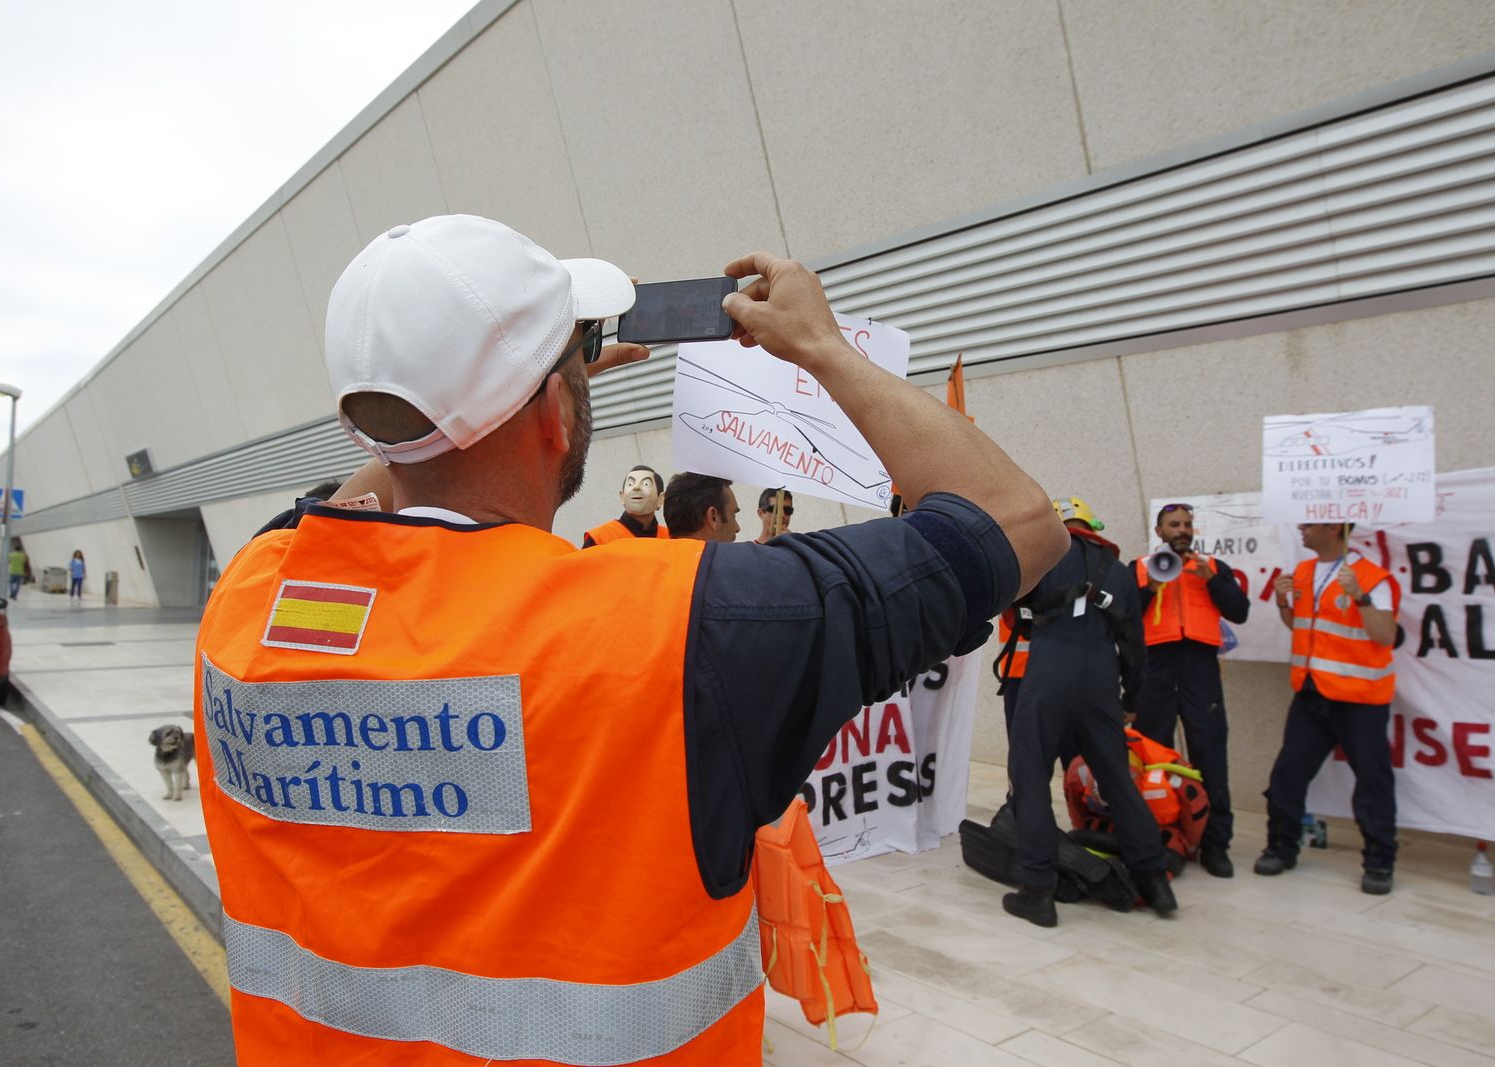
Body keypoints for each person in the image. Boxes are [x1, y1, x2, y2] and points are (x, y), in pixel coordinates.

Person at [193, 215, 1065, 1065]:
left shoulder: (249, 595)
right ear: (555, 416)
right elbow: (1021, 522)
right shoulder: (690, 622)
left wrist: (527, 398)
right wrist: (824, 349)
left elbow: (357, 502)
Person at [1002, 496, 1177, 928]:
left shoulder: (1043, 558)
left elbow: (1011, 611)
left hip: (1048, 672)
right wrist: (1131, 701)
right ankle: (1155, 880)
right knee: (1117, 779)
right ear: (1092, 526)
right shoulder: (1118, 572)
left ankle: (1038, 891)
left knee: (1030, 778)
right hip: (1102, 679)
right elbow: (1135, 646)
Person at [1258, 521, 1400, 895]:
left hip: (1359, 700)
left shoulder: (1371, 576)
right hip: (1311, 693)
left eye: (1310, 524)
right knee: (1287, 775)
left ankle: (1380, 862)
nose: (1301, 529)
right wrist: (1283, 602)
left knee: (1372, 782)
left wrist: (1361, 597)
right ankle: (1281, 848)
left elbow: (1386, 635)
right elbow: (1299, 625)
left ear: (1335, 528)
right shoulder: (1303, 571)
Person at [1129, 503, 1250, 878]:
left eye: (1187, 524)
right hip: (1156, 671)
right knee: (1154, 758)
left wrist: (1210, 579)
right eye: (1173, 524)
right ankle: (1160, 840)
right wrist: (1151, 586)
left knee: (1210, 755)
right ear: (1159, 530)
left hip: (1200, 672)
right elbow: (1124, 616)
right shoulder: (1138, 568)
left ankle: (1216, 846)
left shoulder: (1213, 567)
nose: (1182, 529)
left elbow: (1240, 611)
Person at [581, 465, 667, 546]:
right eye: (630, 484)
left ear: (660, 499)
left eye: (645, 484)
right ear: (622, 497)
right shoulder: (599, 538)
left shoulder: (671, 538)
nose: (636, 487)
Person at [663, 472, 741, 542]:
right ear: (713, 517)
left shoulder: (653, 554)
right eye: (733, 515)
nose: (737, 528)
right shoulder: (736, 557)